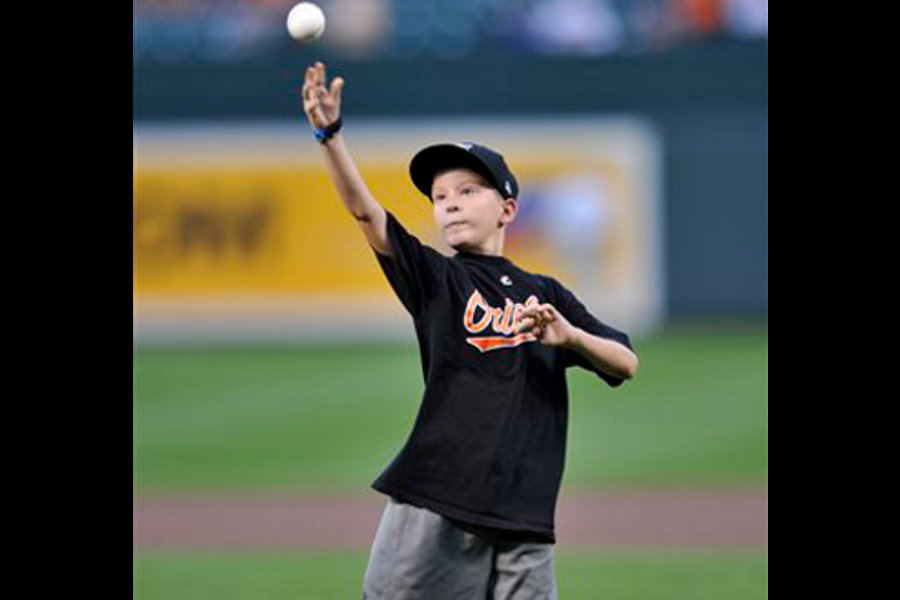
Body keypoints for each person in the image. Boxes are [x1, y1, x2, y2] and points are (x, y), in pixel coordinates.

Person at [301, 61, 639, 599]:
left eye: (467, 190)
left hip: (526, 513)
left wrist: (572, 338)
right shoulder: (436, 278)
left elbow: (625, 361)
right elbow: (366, 214)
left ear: (507, 209)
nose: (450, 202)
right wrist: (329, 137)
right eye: (439, 197)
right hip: (439, 500)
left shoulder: (546, 293)